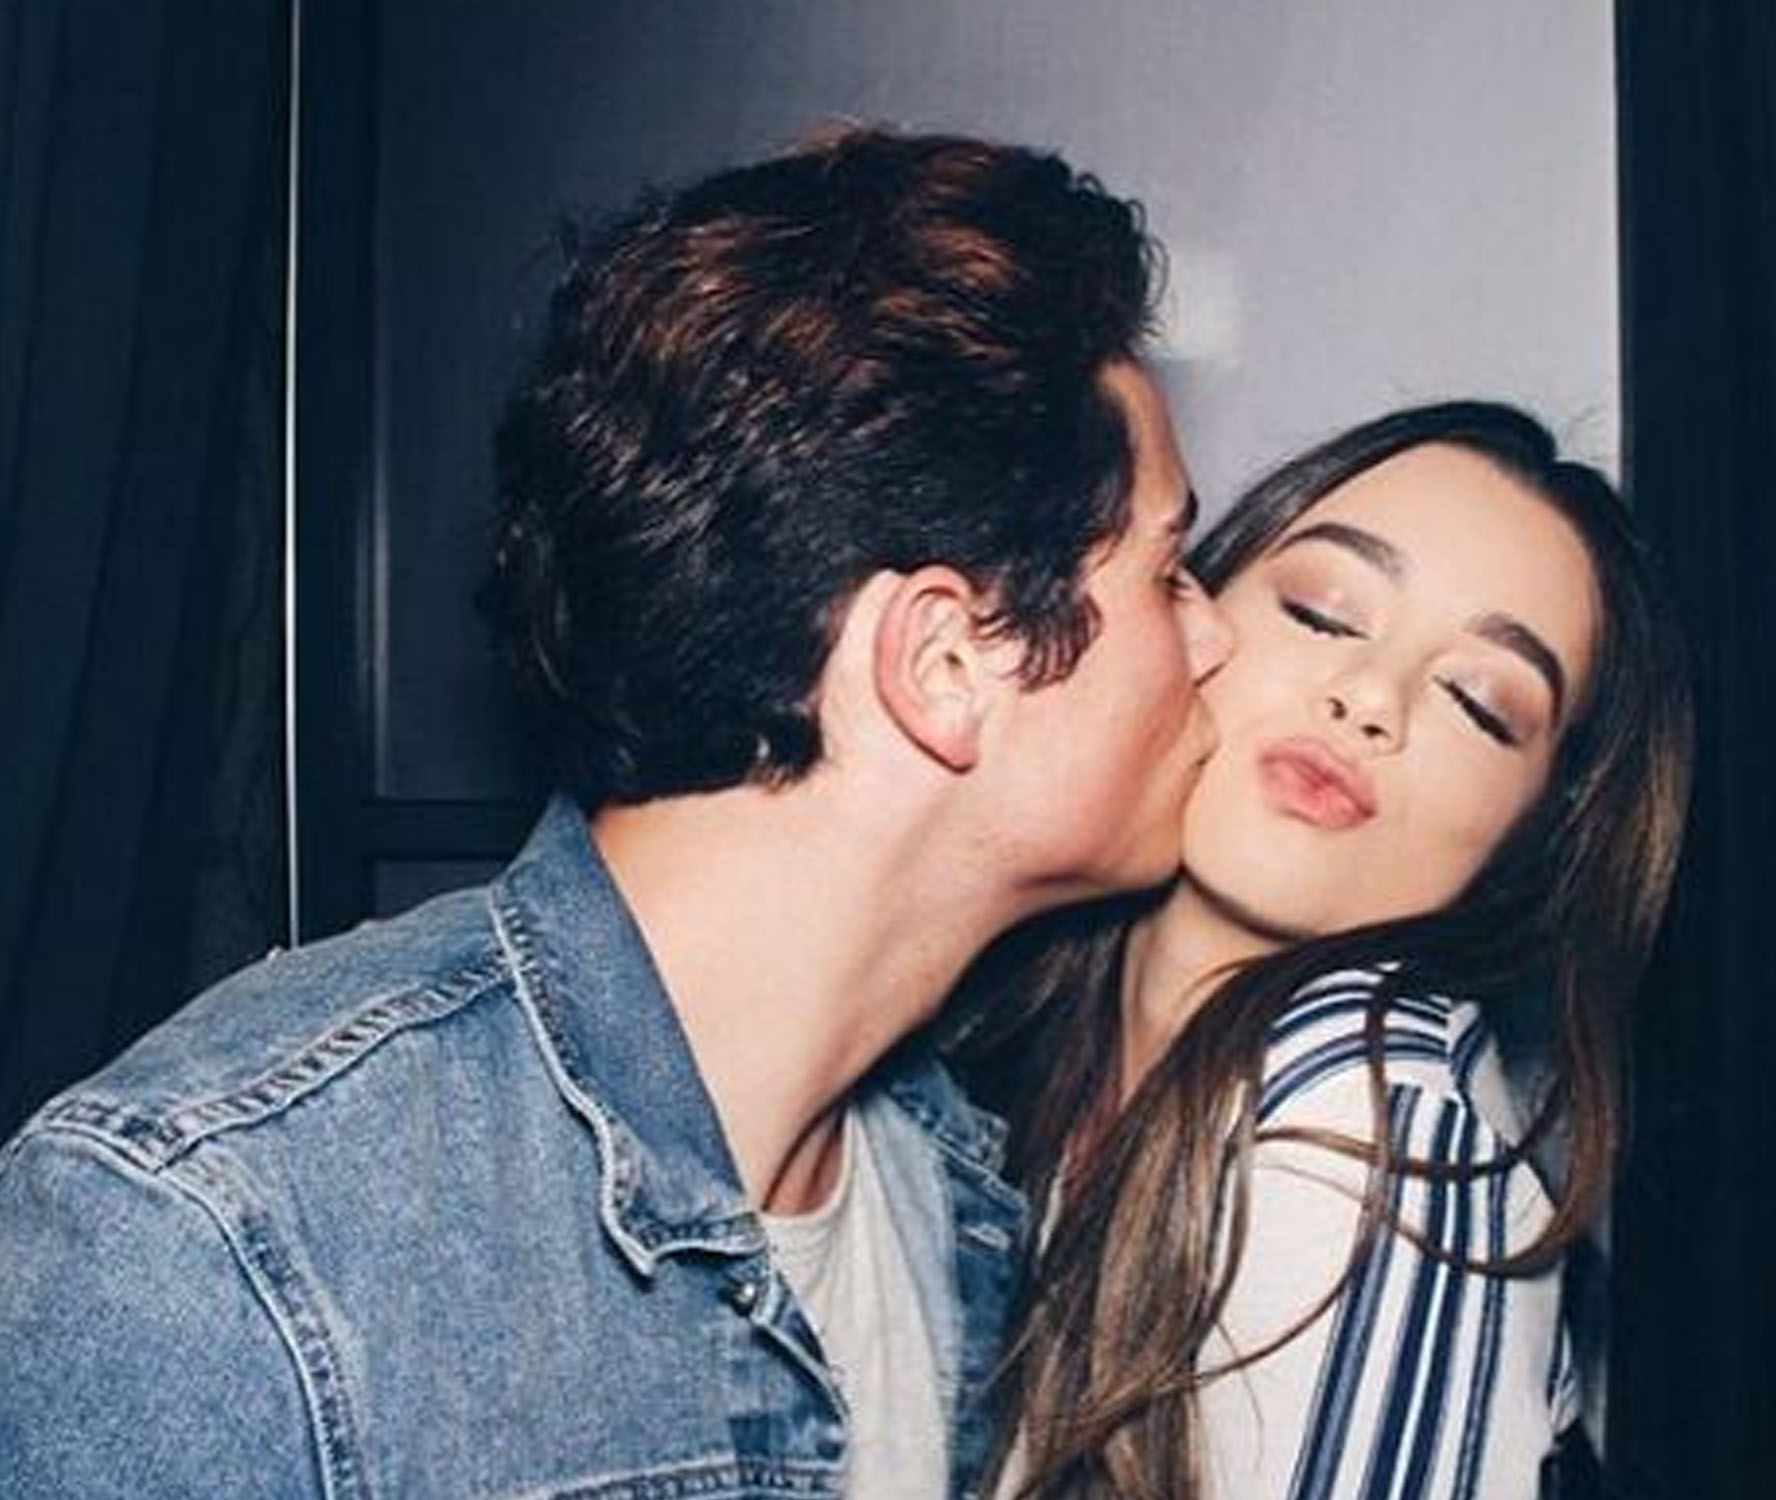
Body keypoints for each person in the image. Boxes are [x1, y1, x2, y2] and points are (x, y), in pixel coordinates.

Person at [0, 129, 1233, 1499]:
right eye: (1168, 571)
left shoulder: (953, 1192)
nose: (1216, 638)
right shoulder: (212, 1241)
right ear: (943, 663)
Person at [964, 402, 1695, 1500]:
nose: (1370, 699)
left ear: (1532, 840)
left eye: (1479, 704)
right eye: (1323, 612)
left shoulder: (1377, 1137)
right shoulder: (1021, 1055)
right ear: (1186, 615)